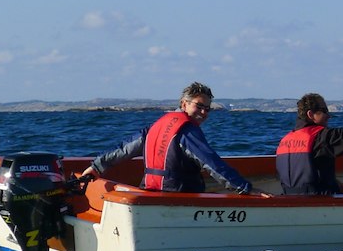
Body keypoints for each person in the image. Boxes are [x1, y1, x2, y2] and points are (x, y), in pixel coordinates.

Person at [81, 82, 262, 195]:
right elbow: (211, 163)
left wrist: (96, 166)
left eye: (207, 108)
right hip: (179, 195)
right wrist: (245, 188)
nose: (203, 112)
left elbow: (123, 149)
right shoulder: (187, 131)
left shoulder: (156, 125)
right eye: (199, 106)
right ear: (184, 103)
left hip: (149, 193)